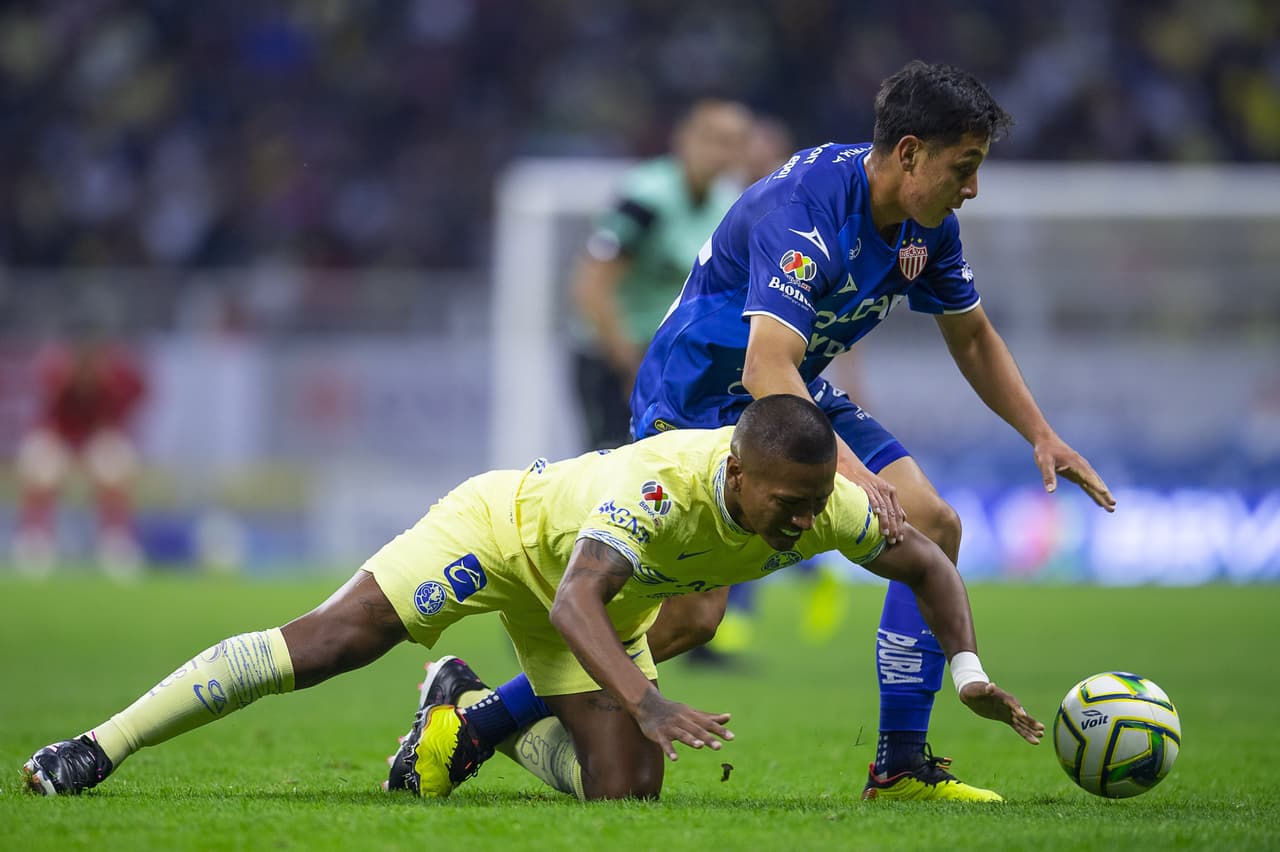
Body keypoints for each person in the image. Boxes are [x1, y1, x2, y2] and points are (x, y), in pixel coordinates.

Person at [440, 60, 1116, 802]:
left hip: (791, 388)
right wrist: (854, 476)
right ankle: (479, 719)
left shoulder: (929, 229)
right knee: (692, 620)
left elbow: (973, 335)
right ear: (910, 153)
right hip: (697, 396)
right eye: (965, 166)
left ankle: (899, 766)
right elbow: (764, 364)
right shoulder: (806, 209)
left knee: (932, 522)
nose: (973, 188)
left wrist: (1040, 433)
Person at [22, 395, 1043, 801]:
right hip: (502, 535)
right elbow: (572, 603)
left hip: (595, 600)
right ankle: (97, 747)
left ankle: (466, 711)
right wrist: (646, 699)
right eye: (786, 504)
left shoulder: (826, 505)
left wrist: (967, 671)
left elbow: (927, 561)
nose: (801, 522)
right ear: (736, 472)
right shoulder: (660, 487)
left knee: (627, 799)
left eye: (813, 505)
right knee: (331, 643)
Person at [571, 99, 752, 448]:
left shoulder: (730, 203)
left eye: (734, 142)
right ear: (685, 139)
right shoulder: (647, 196)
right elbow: (593, 284)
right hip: (614, 356)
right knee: (612, 462)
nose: (722, 153)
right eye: (714, 139)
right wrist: (630, 366)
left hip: (672, 363)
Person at [11, 334, 148, 578]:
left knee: (113, 466)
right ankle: (35, 539)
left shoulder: (113, 382)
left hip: (96, 438)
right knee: (42, 467)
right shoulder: (56, 376)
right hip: (61, 438)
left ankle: (115, 541)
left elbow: (116, 421)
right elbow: (48, 421)